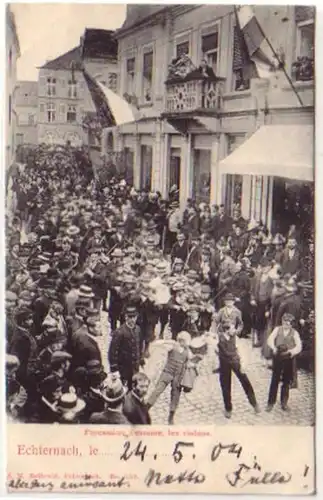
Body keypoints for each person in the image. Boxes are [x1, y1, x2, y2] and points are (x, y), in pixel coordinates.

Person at [215, 293, 260, 419]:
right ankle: (228, 408)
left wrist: (236, 331)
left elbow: (241, 324)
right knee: (225, 383)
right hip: (224, 360)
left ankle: (254, 403)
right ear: (224, 302)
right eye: (227, 301)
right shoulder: (221, 312)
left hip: (235, 360)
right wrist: (216, 333)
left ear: (233, 302)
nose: (229, 302)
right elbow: (215, 323)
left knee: (244, 380)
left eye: (231, 301)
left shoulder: (237, 313)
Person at [146, 331, 193, 424]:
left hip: (178, 376)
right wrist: (165, 341)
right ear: (182, 341)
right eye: (187, 341)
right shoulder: (173, 346)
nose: (188, 343)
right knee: (157, 390)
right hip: (167, 373)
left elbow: (190, 361)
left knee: (175, 396)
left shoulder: (187, 351)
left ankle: (171, 416)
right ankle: (145, 409)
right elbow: (159, 344)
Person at [266, 313, 302, 412]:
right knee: (275, 379)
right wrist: (273, 348)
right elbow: (270, 339)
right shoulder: (277, 329)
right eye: (284, 321)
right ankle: (270, 402)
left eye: (289, 322)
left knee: (286, 381)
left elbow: (299, 346)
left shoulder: (295, 333)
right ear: (282, 322)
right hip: (278, 356)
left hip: (288, 358)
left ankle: (284, 402)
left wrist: (291, 352)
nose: (286, 324)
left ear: (291, 324)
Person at [108, 304, 143, 390]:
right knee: (121, 389)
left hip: (134, 367)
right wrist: (114, 369)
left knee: (133, 388)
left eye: (134, 317)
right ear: (125, 317)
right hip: (123, 367)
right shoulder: (120, 332)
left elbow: (139, 345)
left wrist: (140, 360)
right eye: (129, 317)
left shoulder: (138, 329)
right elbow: (112, 352)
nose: (132, 319)